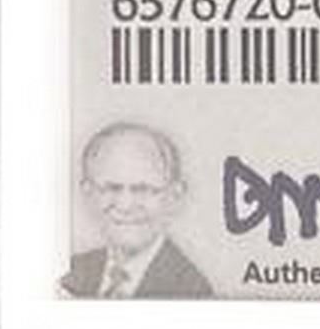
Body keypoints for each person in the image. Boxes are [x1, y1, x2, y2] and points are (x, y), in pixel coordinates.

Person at [61, 122, 213, 298]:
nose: (125, 205)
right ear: (88, 192)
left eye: (143, 189)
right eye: (111, 188)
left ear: (174, 196)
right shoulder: (71, 274)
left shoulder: (193, 289)